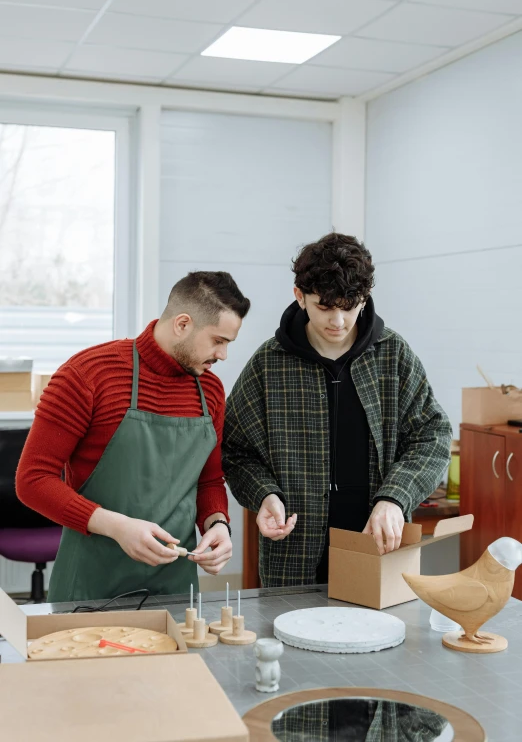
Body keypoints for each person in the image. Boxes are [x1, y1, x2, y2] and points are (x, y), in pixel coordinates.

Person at [223, 234, 451, 587]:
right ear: (299, 295)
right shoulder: (268, 364)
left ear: (364, 299)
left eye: (349, 306)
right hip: (293, 556)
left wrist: (394, 498)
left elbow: (432, 438)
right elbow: (235, 450)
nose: (339, 321)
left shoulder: (393, 355)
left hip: (378, 549)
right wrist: (265, 493)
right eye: (325, 307)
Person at [16, 271, 250, 602]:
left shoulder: (210, 391)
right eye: (218, 341)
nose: (223, 355)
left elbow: (209, 480)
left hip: (174, 586)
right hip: (91, 582)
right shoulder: (87, 375)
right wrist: (118, 528)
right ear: (182, 324)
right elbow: (32, 480)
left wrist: (217, 526)